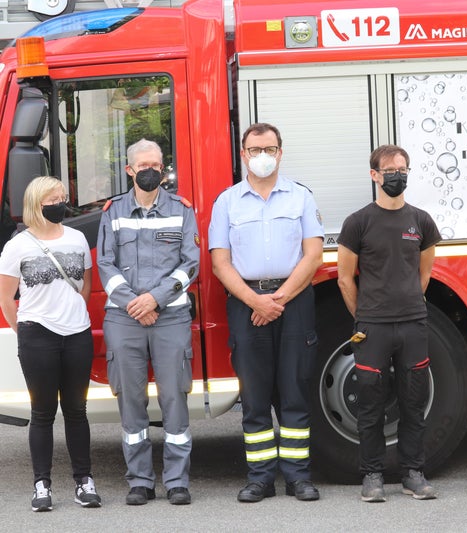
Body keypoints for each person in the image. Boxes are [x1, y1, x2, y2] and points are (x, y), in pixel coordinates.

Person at [209, 123, 324, 503]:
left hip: (294, 302)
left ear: (280, 153)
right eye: (255, 149)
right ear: (243, 155)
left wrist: (278, 300)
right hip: (246, 303)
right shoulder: (227, 202)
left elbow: (313, 255)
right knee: (255, 397)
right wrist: (255, 301)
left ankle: (298, 477)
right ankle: (259, 478)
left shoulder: (301, 197)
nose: (263, 156)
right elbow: (220, 263)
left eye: (270, 149)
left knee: (295, 392)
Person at [97, 139, 199, 506]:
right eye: (143, 165)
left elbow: (190, 263)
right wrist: (135, 303)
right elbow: (105, 263)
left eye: (156, 164)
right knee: (131, 400)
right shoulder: (113, 212)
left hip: (170, 315)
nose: (151, 171)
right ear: (129, 170)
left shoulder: (181, 210)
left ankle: (177, 482)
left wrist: (155, 299)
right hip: (124, 317)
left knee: (174, 398)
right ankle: (139, 481)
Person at [337, 144, 441, 503]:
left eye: (403, 169)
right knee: (370, 404)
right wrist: (365, 316)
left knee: (413, 402)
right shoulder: (358, 223)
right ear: (374, 175)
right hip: (373, 328)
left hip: (413, 324)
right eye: (390, 170)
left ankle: (413, 473)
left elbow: (424, 274)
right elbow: (345, 279)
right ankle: (372, 475)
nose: (397, 175)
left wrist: (407, 303)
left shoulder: (421, 221)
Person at [0, 176, 101, 511]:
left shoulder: (77, 238)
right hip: (37, 335)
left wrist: (72, 314)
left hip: (77, 334)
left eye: (63, 197)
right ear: (36, 204)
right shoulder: (17, 246)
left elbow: (85, 285)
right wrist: (24, 331)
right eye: (53, 199)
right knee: (42, 413)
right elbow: (6, 298)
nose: (61, 203)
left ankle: (84, 482)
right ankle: (41, 485)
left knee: (76, 410)